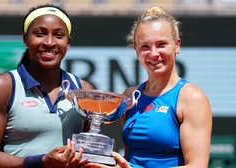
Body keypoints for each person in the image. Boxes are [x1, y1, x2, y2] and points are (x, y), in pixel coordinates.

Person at [85, 6, 212, 168]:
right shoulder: (130, 95)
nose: (153, 53)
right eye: (145, 46)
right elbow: (131, 158)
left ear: (177, 45)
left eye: (161, 44)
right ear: (136, 50)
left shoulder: (191, 98)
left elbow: (197, 166)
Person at [0, 4, 94, 168]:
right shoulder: (3, 85)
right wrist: (40, 163)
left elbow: (90, 153)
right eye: (40, 34)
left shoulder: (84, 89)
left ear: (68, 43)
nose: (49, 42)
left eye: (58, 35)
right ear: (25, 39)